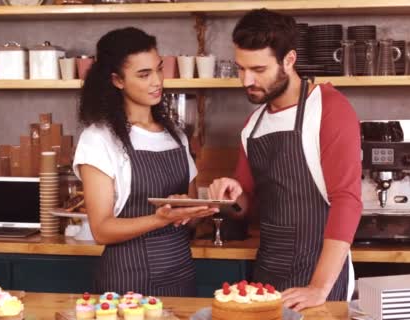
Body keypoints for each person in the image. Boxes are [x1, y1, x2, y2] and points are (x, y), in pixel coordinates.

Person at [208, 9, 362, 310]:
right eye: (240, 69)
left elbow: (347, 201)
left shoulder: (329, 109)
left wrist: (318, 287)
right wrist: (231, 197)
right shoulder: (253, 124)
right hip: (266, 275)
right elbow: (246, 204)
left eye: (258, 69)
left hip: (319, 276)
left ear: (289, 60)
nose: (246, 80)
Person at [73, 27, 217, 296]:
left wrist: (200, 210)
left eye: (158, 69)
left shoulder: (175, 134)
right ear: (117, 80)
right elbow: (101, 229)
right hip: (127, 281)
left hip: (180, 273)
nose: (157, 81)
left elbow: (191, 213)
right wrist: (160, 218)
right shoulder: (99, 139)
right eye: (143, 74)